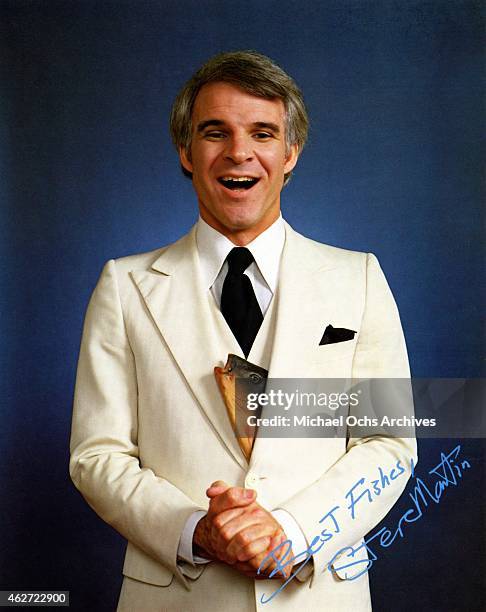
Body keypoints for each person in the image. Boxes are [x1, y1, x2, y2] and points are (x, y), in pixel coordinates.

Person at [70, 51, 416, 611]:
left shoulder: (361, 279)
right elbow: (96, 454)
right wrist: (193, 529)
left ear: (290, 152)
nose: (239, 152)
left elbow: (389, 444)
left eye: (262, 132)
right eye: (215, 132)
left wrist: (292, 531)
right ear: (186, 151)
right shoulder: (123, 285)